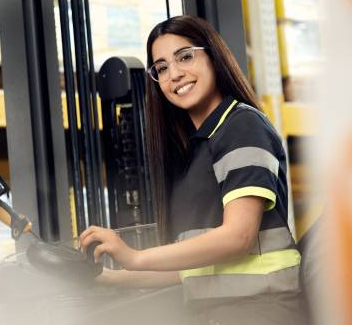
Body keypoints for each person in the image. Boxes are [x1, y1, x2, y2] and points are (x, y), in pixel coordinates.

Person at [79, 16, 305, 324]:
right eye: (161, 68)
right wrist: (107, 278)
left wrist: (135, 256)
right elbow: (194, 267)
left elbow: (239, 236)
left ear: (213, 56)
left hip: (260, 309)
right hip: (218, 313)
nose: (174, 74)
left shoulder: (242, 126)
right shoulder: (197, 150)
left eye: (185, 57)